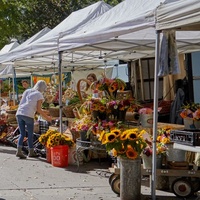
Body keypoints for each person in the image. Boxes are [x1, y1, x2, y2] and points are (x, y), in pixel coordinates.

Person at [16, 80, 52, 159]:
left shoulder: (27, 91)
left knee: (22, 133)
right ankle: (31, 152)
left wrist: (42, 111)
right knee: (30, 134)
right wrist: (47, 117)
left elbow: (26, 103)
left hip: (19, 113)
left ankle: (19, 150)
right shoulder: (39, 94)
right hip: (28, 114)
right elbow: (39, 109)